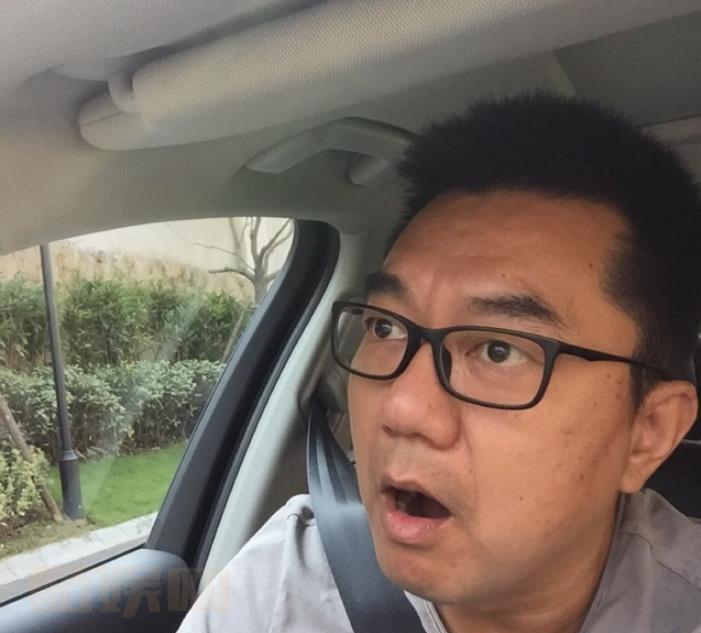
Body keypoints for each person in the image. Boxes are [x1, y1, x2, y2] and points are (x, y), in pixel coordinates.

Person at [177, 93, 701, 633]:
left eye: (499, 350)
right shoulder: (275, 595)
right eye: (386, 328)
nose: (402, 408)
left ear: (648, 432)